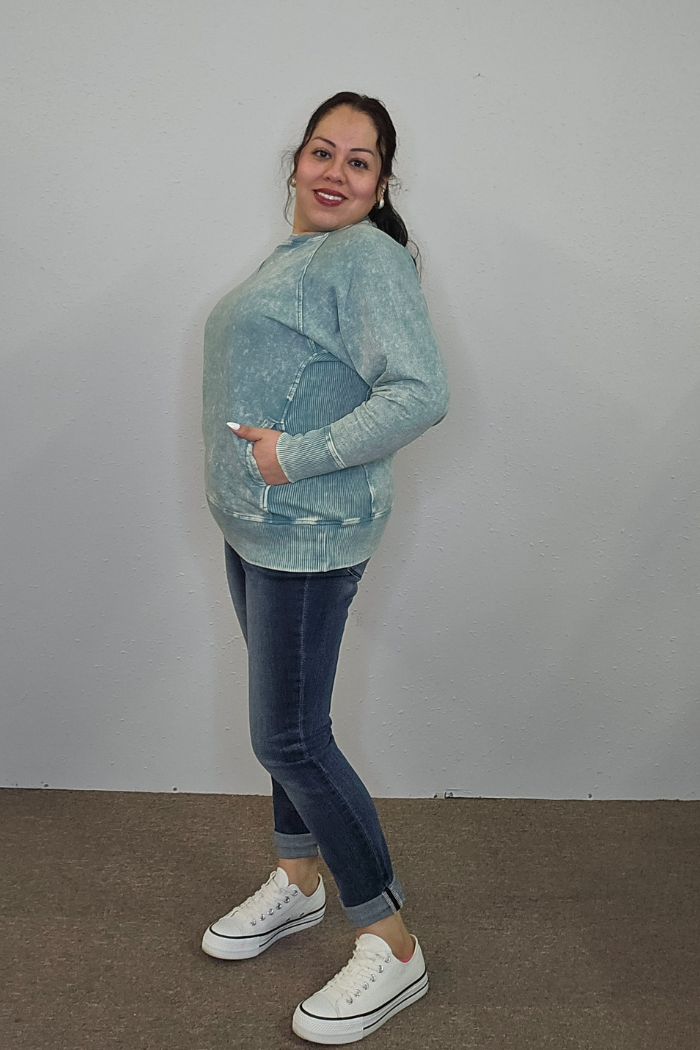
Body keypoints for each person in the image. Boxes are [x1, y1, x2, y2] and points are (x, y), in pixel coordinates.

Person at [200, 91, 450, 1044]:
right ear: (294, 163)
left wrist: (287, 459)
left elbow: (421, 391)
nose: (335, 172)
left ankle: (389, 941)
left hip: (306, 526)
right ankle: (300, 880)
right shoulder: (300, 252)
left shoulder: (364, 256)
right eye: (321, 151)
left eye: (360, 161)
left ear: (382, 184)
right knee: (291, 726)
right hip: (259, 526)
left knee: (291, 739)